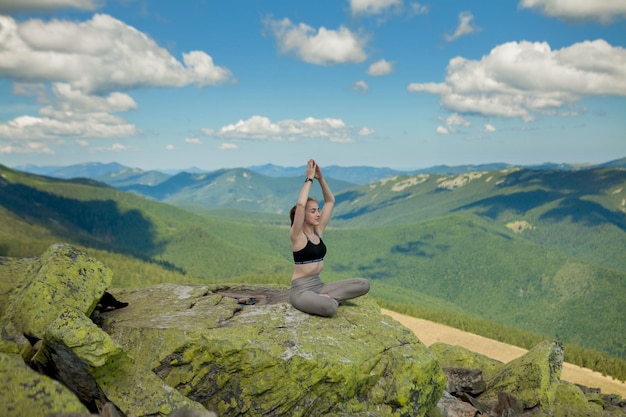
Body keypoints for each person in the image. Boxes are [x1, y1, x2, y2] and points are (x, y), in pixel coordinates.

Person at [289, 159, 370, 317]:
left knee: (363, 284)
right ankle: (328, 300)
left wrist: (321, 178)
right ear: (303, 214)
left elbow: (330, 201)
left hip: (319, 286)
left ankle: (327, 298)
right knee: (330, 308)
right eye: (312, 211)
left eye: (317, 210)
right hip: (301, 290)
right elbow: (300, 204)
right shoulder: (297, 235)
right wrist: (309, 178)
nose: (318, 214)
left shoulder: (318, 231)